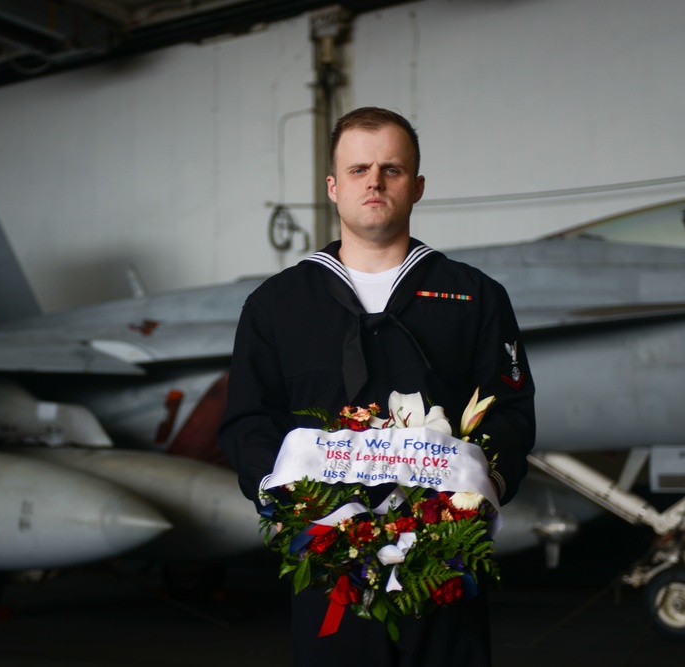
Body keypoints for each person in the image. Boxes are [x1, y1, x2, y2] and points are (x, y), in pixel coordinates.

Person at [218, 106, 536, 667]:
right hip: (330, 568)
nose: (375, 180)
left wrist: (468, 506)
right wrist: (300, 512)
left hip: (444, 567)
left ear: (416, 187)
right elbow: (247, 420)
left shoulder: (476, 296)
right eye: (360, 168)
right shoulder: (276, 305)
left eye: (391, 168)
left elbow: (510, 412)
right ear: (333, 187)